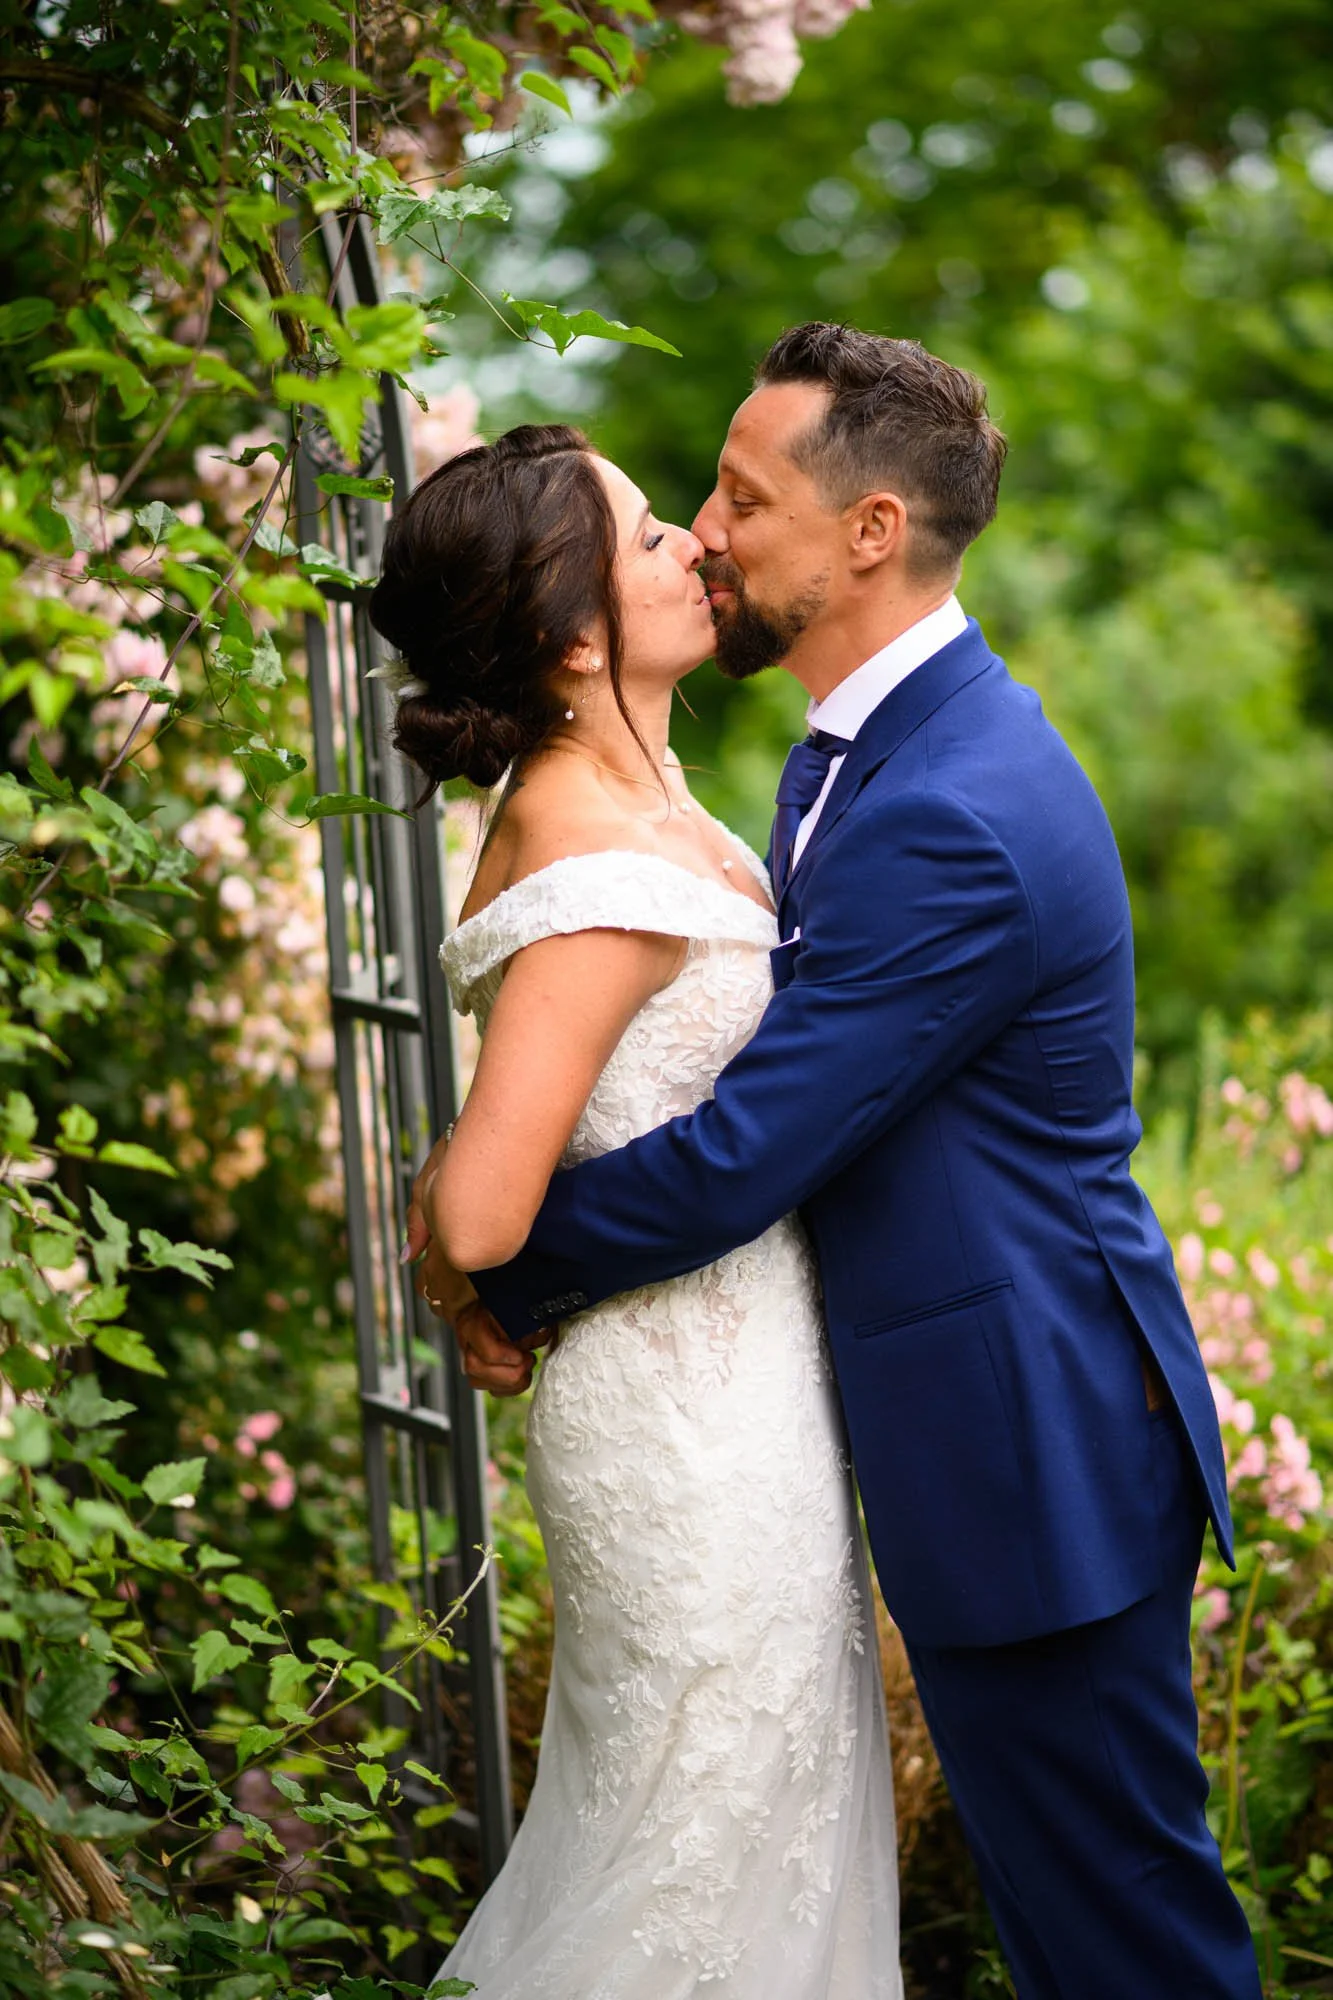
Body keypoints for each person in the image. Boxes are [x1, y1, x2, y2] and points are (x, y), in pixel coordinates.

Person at [414, 326, 1263, 2000]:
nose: (711, 533)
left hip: (1036, 1451)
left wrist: (490, 1258)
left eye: (739, 498)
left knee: (1123, 1945)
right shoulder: (852, 752)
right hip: (872, 1433)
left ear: (870, 531)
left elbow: (742, 1155)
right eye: (694, 504)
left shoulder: (953, 802)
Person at [369, 422, 902, 1999]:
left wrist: (456, 1255)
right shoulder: (603, 861)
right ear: (579, 627)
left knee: (726, 1829)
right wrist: (455, 1256)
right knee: (699, 1843)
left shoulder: (625, 807)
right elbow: (478, 1209)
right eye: (647, 531)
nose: (692, 542)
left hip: (726, 1404)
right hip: (693, 1444)